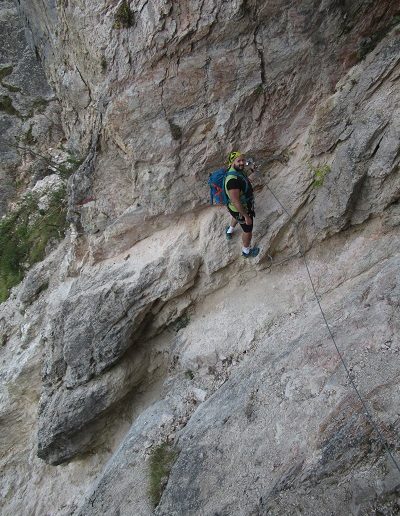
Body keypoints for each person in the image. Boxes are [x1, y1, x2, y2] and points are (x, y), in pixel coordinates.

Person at [225, 151, 260, 258]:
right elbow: (236, 201)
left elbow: (243, 181)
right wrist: (246, 216)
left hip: (234, 209)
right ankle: (246, 251)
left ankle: (229, 230)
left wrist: (252, 170)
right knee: (248, 230)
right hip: (241, 209)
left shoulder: (234, 171)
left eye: (242, 160)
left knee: (235, 216)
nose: (242, 163)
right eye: (238, 160)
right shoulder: (232, 181)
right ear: (232, 163)